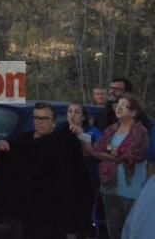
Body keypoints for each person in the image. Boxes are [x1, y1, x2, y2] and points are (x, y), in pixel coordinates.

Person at [0, 102, 91, 239]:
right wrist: (1, 144)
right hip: (27, 206)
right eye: (37, 118)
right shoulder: (24, 139)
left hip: (53, 207)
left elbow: (77, 170)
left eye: (45, 118)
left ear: (54, 122)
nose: (40, 122)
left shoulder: (62, 142)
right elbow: (8, 154)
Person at [91, 94, 150, 239]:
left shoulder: (140, 132)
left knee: (132, 231)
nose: (119, 108)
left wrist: (109, 152)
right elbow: (97, 149)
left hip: (131, 191)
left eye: (124, 106)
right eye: (117, 105)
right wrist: (113, 152)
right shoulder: (111, 129)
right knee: (113, 231)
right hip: (109, 187)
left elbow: (130, 156)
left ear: (134, 112)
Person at [67, 101, 104, 237]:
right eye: (70, 112)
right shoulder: (62, 130)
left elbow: (97, 152)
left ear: (83, 117)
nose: (72, 115)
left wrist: (82, 135)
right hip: (67, 179)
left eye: (77, 112)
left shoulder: (93, 132)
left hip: (88, 179)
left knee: (84, 215)